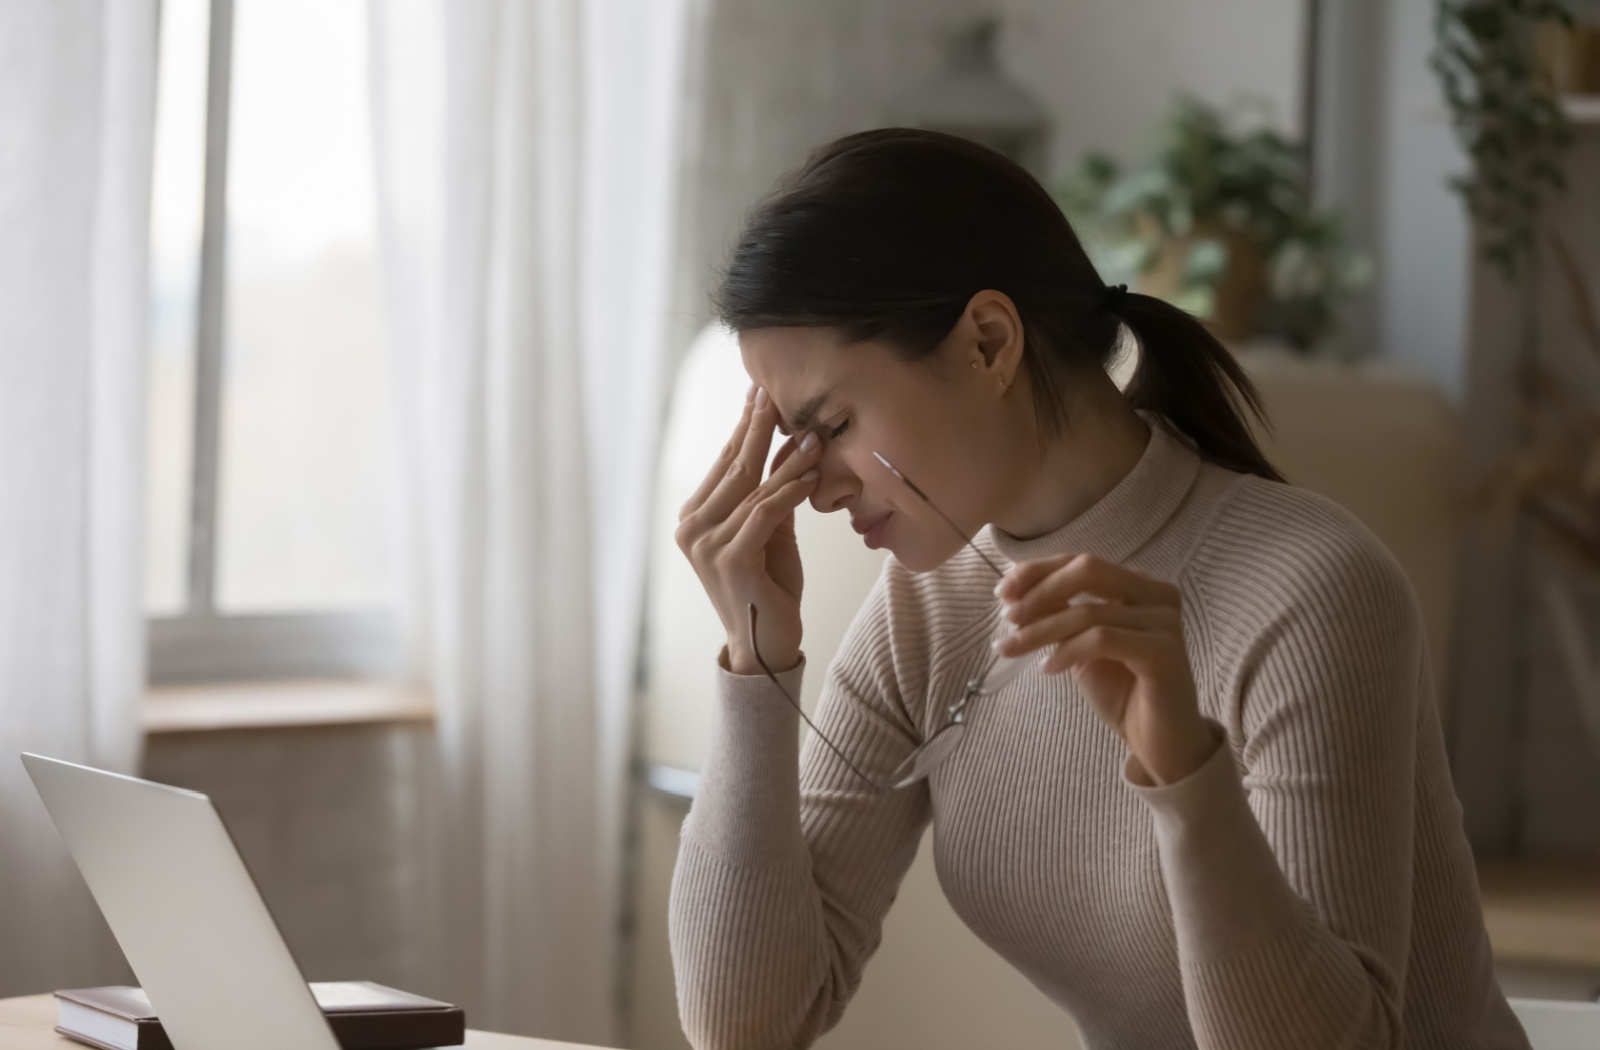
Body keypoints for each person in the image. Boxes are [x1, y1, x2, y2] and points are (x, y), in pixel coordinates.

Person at [667, 127, 1527, 1050]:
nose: (816, 489)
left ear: (989, 342)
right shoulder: (927, 611)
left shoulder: (1310, 592)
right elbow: (744, 1024)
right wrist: (757, 665)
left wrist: (1186, 772)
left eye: (830, 424)